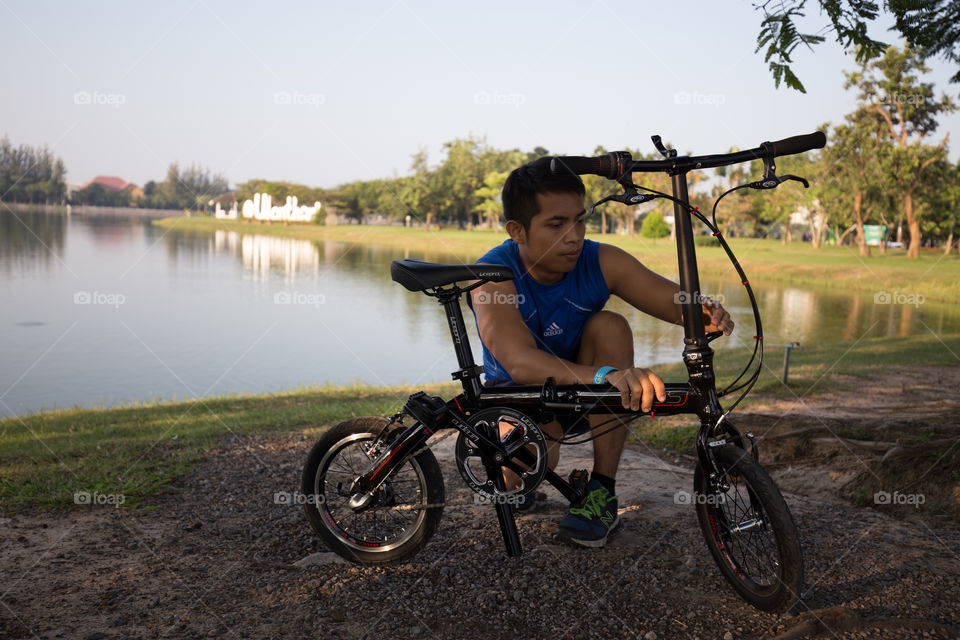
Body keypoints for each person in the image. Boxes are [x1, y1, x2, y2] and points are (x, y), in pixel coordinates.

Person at [467, 157, 734, 547]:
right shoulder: (491, 273)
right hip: (522, 395)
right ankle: (521, 481)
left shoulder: (599, 259)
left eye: (580, 220)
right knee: (528, 468)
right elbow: (520, 361)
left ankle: (601, 492)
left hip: (587, 394)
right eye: (556, 225)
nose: (574, 236)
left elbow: (670, 299)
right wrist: (603, 376)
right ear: (517, 231)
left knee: (611, 326)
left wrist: (702, 311)